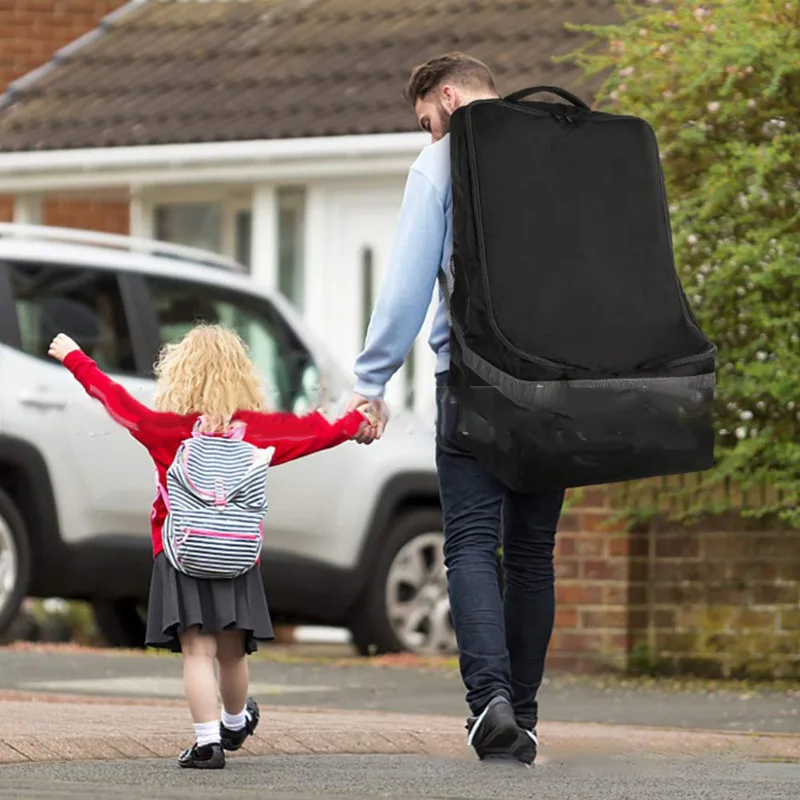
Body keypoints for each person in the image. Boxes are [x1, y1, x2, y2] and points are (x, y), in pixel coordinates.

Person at [347, 52, 565, 766]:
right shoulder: (561, 151)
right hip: (561, 382)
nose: (427, 134)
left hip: (473, 377)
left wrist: (372, 378)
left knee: (472, 541)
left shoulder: (441, 164)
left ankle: (490, 704)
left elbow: (408, 285)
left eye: (426, 121)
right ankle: (523, 719)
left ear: (447, 97)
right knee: (532, 551)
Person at [48, 325, 376, 770]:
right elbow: (316, 433)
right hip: (239, 558)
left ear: (180, 375)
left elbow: (114, 399)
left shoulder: (165, 429)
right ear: (242, 377)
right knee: (232, 652)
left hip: (181, 555)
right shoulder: (260, 432)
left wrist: (75, 357)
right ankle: (236, 721)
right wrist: (359, 423)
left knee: (197, 652)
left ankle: (207, 743)